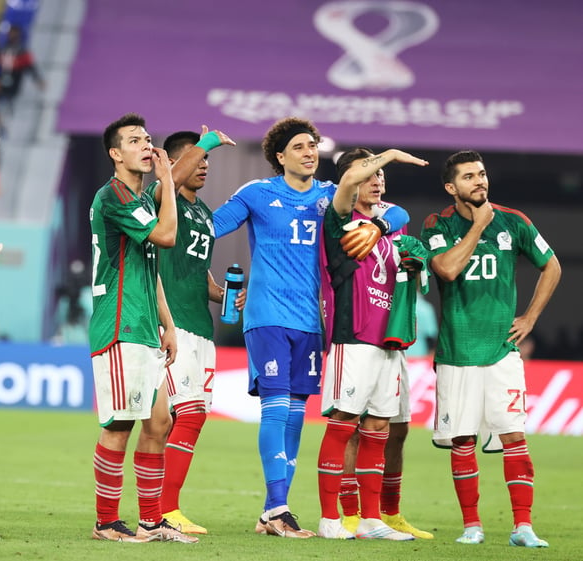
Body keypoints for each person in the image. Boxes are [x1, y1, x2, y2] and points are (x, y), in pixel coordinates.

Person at [212, 118, 407, 538]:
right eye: (299, 146)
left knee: (298, 414)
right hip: (267, 315)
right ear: (280, 157)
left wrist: (380, 224)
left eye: (313, 145)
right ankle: (280, 508)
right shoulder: (257, 194)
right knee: (277, 407)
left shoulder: (330, 197)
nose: (309, 152)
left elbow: (396, 210)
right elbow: (207, 229)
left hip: (313, 322)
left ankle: (271, 512)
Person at [420, 150, 560, 547]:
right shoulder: (438, 224)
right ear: (452, 187)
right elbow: (445, 269)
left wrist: (530, 317)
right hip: (457, 352)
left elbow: (552, 265)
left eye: (481, 174)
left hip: (502, 351)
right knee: (462, 441)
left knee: (514, 435)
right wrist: (478, 228)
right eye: (468, 177)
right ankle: (472, 527)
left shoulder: (514, 221)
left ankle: (523, 527)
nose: (479, 181)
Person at [89, 113, 198, 543]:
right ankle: (106, 522)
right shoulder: (114, 194)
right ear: (116, 154)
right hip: (120, 323)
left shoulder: (141, 199)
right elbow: (167, 237)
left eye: (147, 138)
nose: (145, 144)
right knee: (120, 424)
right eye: (135, 140)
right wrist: (169, 180)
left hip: (145, 325)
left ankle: (151, 521)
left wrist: (167, 323)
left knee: (159, 423)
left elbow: (150, 269)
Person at [314, 148, 428, 540]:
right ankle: (330, 518)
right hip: (354, 336)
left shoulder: (387, 227)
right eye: (369, 175)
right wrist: (390, 153)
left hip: (388, 342)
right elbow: (346, 187)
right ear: (349, 181)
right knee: (344, 421)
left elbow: (402, 219)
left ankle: (370, 518)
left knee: (379, 425)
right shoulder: (339, 221)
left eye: (381, 176)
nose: (377, 180)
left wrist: (413, 262)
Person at [155, 129, 240, 535]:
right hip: (170, 326)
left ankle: (165, 508)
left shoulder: (203, 213)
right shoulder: (159, 200)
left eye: (207, 159)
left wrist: (223, 293)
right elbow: (167, 179)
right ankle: (164, 510)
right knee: (181, 415)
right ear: (175, 163)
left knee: (193, 416)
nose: (205, 164)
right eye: (196, 157)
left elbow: (198, 271)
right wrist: (206, 142)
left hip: (201, 329)